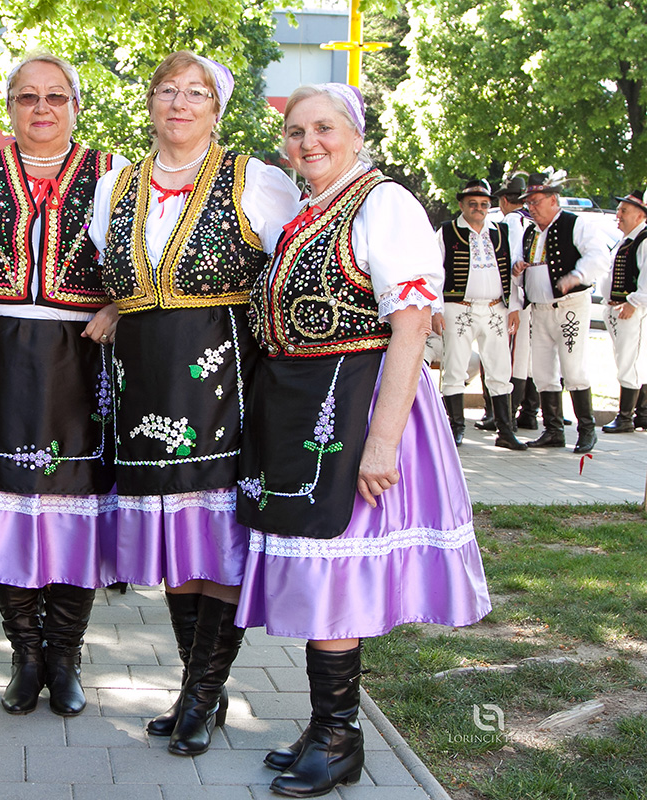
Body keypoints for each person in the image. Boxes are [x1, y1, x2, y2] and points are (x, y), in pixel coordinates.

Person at [234, 84, 491, 797]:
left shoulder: (384, 202)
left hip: (361, 405)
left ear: (356, 134)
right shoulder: (308, 211)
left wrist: (381, 443)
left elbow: (411, 325)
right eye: (295, 131)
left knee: (335, 574)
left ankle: (341, 736)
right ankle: (327, 725)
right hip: (305, 405)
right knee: (318, 568)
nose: (308, 142)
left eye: (324, 128)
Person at [89, 51, 299, 757]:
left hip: (222, 383)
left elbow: (287, 272)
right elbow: (123, 280)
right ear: (150, 102)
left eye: (197, 93)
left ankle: (203, 695)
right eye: (168, 90)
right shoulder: (117, 186)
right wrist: (117, 308)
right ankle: (196, 689)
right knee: (178, 546)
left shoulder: (255, 181)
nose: (180, 104)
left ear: (217, 110)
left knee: (218, 543)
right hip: (143, 385)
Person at [0, 53, 128, 718]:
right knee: (9, 506)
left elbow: (145, 260)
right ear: (9, 106)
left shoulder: (114, 175)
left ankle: (64, 657)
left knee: (77, 506)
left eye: (56, 96)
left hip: (85, 356)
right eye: (28, 97)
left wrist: (119, 305)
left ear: (76, 106)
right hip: (0, 355)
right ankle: (25, 655)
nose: (42, 108)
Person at [513, 172, 610, 453]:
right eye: (528, 203)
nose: (531, 207)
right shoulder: (531, 232)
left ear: (553, 200)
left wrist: (577, 275)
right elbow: (521, 263)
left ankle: (587, 430)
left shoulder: (575, 224)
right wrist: (518, 268)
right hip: (540, 309)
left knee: (573, 367)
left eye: (536, 201)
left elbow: (599, 256)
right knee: (542, 370)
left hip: (570, 307)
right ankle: (553, 430)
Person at [434, 179, 526, 450]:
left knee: (500, 368)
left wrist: (514, 307)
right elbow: (433, 274)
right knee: (455, 367)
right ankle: (455, 428)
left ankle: (505, 430)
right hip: (458, 307)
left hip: (496, 308)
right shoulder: (447, 232)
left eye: (484, 204)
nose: (479, 208)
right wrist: (436, 309)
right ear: (462, 205)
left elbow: (511, 272)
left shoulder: (501, 232)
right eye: (472, 203)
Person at [494, 176, 541, 429]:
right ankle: (529, 412)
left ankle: (508, 414)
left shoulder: (512, 221)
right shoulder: (534, 220)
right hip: (534, 296)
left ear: (504, 200)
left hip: (516, 296)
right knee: (529, 355)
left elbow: (510, 261)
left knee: (513, 355)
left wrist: (511, 302)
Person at [600, 187, 647, 432]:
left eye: (624, 211)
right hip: (618, 308)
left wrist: (634, 302)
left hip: (631, 310)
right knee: (629, 359)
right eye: (619, 210)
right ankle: (643, 414)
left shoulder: (643, 240)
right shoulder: (627, 240)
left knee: (629, 360)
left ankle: (626, 416)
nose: (618, 215)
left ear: (640, 215)